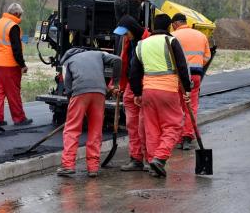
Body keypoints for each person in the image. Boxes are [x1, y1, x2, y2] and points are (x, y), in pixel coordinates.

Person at [129, 14, 191, 177]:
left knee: (151, 128)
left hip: (148, 90)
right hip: (168, 90)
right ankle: (160, 158)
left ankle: (152, 163)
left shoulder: (141, 45)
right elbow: (182, 67)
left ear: (152, 26)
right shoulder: (171, 41)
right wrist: (187, 89)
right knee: (173, 125)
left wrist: (137, 92)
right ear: (170, 26)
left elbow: (134, 71)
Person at [56, 48, 121, 178]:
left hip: (79, 92)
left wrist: (72, 106)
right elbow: (117, 60)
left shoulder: (67, 61)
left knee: (72, 130)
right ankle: (93, 168)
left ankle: (68, 165)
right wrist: (115, 84)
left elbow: (68, 87)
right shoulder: (98, 54)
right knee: (95, 130)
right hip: (99, 93)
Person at [112, 15, 151, 172]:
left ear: (133, 29)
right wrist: (119, 85)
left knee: (146, 125)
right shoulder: (128, 41)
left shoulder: (149, 40)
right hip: (130, 84)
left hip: (145, 85)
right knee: (132, 125)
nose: (124, 36)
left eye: (125, 33)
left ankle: (150, 158)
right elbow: (124, 61)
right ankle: (136, 159)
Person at [171, 13, 211, 150]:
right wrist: (197, 64)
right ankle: (187, 136)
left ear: (175, 24)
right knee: (191, 105)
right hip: (195, 75)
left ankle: (176, 138)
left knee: (177, 106)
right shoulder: (201, 36)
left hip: (178, 77)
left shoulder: (173, 36)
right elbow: (207, 57)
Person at [0, 3, 33, 126]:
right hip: (10, 65)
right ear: (16, 14)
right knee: (13, 92)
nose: (20, 18)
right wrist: (22, 65)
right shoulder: (13, 26)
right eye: (20, 15)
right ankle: (19, 118)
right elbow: (16, 49)